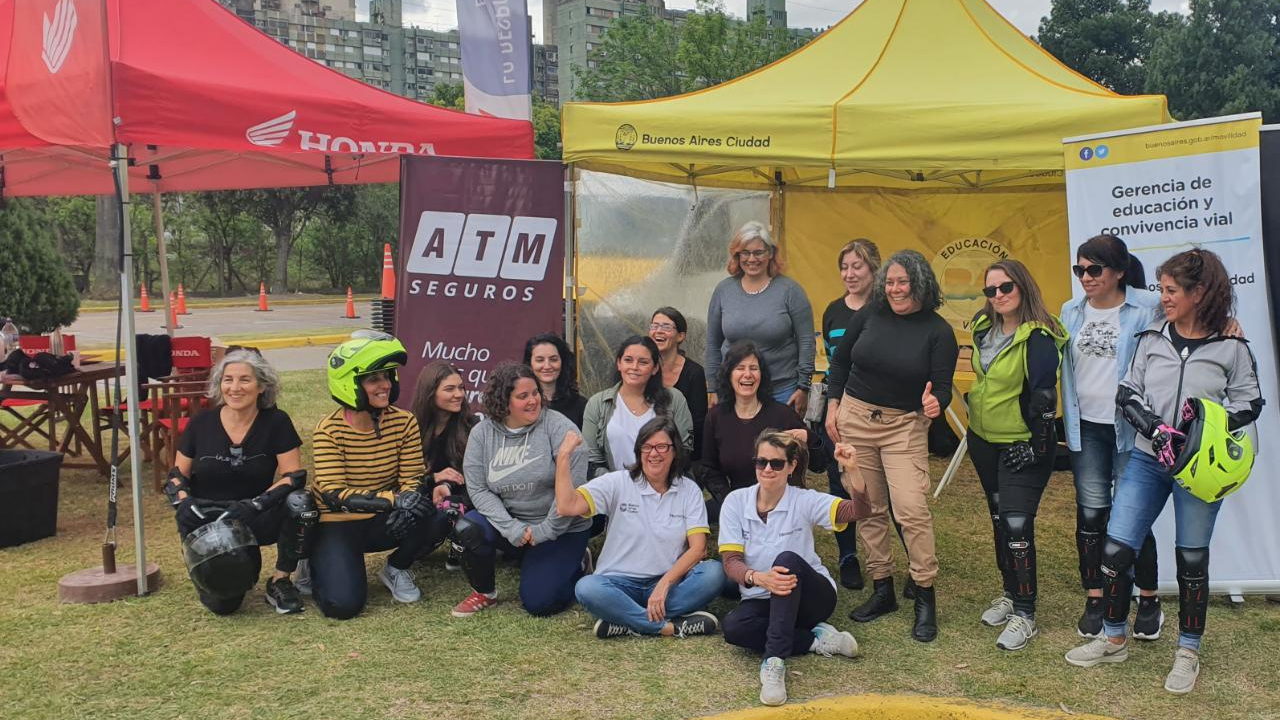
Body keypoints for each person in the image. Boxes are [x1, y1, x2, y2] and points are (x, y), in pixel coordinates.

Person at [1067, 249, 1262, 695]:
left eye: (1172, 291)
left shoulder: (1231, 346)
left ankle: (1188, 651)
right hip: (1146, 458)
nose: (1164, 298)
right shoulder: (1152, 334)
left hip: (1201, 469)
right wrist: (1154, 428)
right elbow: (1128, 390)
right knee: (1116, 548)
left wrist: (1203, 426)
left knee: (1191, 558)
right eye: (1162, 289)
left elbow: (1250, 403)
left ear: (1200, 293)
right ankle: (1113, 638)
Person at [824, 249, 956, 642]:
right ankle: (882, 588)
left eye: (903, 282)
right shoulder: (869, 314)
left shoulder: (938, 331)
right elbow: (840, 363)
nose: (895, 289)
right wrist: (832, 405)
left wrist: (937, 403)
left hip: (903, 426)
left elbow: (943, 388)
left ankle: (924, 595)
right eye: (890, 282)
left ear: (921, 284)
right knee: (867, 506)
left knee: (912, 509)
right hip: (855, 417)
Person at [1060, 235, 1164, 639]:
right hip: (1085, 427)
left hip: (1130, 428)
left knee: (1131, 514)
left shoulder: (1146, 307)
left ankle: (1149, 599)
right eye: (1079, 270)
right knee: (1091, 515)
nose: (1085, 277)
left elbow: (1186, 329)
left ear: (1119, 271)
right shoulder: (1070, 310)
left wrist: (1227, 323)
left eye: (1094, 269)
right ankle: (1096, 598)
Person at [720, 431, 869, 707]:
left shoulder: (804, 499)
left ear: (791, 467)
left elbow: (859, 511)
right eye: (761, 461)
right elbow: (731, 562)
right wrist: (759, 578)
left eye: (776, 463)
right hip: (763, 597)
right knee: (733, 628)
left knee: (786, 560)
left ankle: (774, 662)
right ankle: (817, 640)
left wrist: (854, 470)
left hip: (812, 597)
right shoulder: (735, 501)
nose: (767, 469)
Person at [309, 333, 450, 620]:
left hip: (381, 518)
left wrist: (408, 498)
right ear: (351, 383)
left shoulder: (404, 421)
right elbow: (334, 495)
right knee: (343, 606)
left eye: (388, 376)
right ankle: (315, 561)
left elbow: (412, 476)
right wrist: (395, 502)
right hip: (339, 523)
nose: (385, 384)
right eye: (374, 378)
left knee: (436, 514)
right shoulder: (328, 430)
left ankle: (396, 567)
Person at [164, 349, 314, 615]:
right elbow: (177, 475)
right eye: (227, 379)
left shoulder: (277, 422)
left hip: (254, 513)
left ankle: (280, 579)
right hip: (208, 519)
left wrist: (255, 504)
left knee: (301, 503)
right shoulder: (201, 423)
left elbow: (293, 477)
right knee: (225, 606)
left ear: (261, 386)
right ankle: (217, 570)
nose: (234, 387)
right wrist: (184, 503)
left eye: (244, 380)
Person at [966, 259, 1067, 651]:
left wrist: (1038, 445)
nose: (998, 296)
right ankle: (1010, 594)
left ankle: (1025, 613)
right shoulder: (982, 327)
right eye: (990, 291)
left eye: (1005, 288)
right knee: (998, 518)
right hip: (982, 438)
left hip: (1021, 444)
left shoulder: (1039, 337)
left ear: (1023, 286)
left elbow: (1045, 396)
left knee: (1017, 525)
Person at [557, 417, 724, 639]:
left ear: (675, 451)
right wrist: (563, 458)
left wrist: (664, 584)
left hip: (667, 584)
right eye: (647, 447)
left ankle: (626, 620)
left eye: (662, 446)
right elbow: (567, 506)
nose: (654, 453)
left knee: (714, 573)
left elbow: (698, 549)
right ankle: (666, 627)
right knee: (587, 588)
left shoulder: (689, 490)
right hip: (618, 583)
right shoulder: (617, 482)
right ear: (639, 451)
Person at [451, 363, 591, 618]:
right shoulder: (482, 433)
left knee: (540, 603)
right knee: (468, 527)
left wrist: (545, 531)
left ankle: (578, 563)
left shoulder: (560, 428)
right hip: (514, 526)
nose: (533, 401)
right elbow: (479, 489)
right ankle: (485, 592)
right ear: (503, 401)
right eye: (522, 396)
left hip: (560, 527)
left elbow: (574, 491)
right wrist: (512, 527)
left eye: (535, 393)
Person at [818, 238, 881, 590]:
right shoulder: (833, 310)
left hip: (876, 408)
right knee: (839, 482)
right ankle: (847, 556)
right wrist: (832, 403)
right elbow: (833, 362)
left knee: (880, 486)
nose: (850, 273)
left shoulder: (887, 308)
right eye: (844, 267)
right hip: (839, 406)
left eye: (857, 266)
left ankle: (893, 558)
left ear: (874, 268)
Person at [705, 221, 815, 416]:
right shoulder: (724, 290)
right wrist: (712, 388)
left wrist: (803, 386)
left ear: (770, 253)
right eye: (745, 253)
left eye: (758, 252)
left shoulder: (790, 291)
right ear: (737, 256)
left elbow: (807, 341)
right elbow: (713, 343)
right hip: (733, 392)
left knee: (778, 445)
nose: (751, 259)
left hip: (781, 390)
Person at [701, 341, 813, 524]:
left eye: (754, 368)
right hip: (737, 502)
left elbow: (820, 462)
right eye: (740, 368)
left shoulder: (782, 414)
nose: (748, 374)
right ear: (728, 375)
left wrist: (809, 438)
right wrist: (731, 502)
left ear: (762, 375)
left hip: (781, 506)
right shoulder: (716, 417)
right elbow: (709, 469)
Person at [582, 335, 694, 477]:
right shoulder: (597, 404)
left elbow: (684, 451)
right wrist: (620, 486)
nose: (634, 367)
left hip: (665, 488)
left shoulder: (674, 399)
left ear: (655, 368)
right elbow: (592, 461)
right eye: (628, 360)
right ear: (619, 364)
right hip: (614, 492)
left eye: (643, 362)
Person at [410, 359, 478, 571]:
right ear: (430, 393)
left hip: (464, 495)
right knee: (415, 551)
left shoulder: (473, 425)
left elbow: (476, 476)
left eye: (461, 388)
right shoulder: (411, 426)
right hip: (425, 494)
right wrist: (433, 478)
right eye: (449, 389)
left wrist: (448, 484)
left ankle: (460, 540)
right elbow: (401, 476)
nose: (459, 394)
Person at [649, 307, 708, 462]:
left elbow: (698, 422)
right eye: (654, 326)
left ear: (680, 336)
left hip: (681, 452)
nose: (658, 331)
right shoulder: (642, 368)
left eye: (666, 327)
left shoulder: (694, 373)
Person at [525, 333, 588, 429]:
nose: (547, 366)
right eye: (540, 360)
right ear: (530, 364)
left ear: (563, 362)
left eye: (553, 359)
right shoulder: (521, 404)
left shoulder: (580, 405)